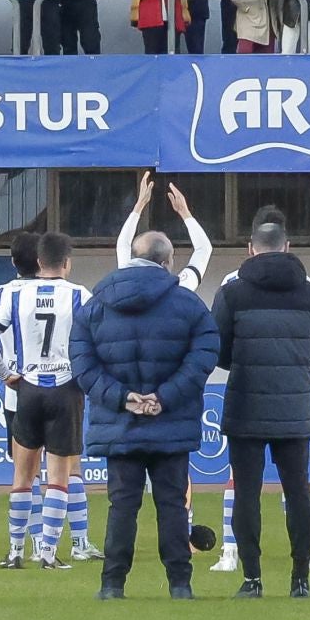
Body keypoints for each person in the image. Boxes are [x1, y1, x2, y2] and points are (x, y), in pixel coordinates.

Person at [71, 228, 220, 600]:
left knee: (122, 505)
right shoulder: (187, 303)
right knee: (172, 504)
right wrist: (164, 397)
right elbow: (204, 355)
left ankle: (112, 584)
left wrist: (125, 399)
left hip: (120, 424)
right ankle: (179, 584)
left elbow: (83, 365)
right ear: (168, 261)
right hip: (170, 421)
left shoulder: (96, 305)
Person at [210, 214, 310, 600]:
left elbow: (216, 349)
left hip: (245, 404)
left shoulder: (232, 292)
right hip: (294, 406)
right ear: (287, 247)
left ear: (250, 249)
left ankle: (252, 579)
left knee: (246, 494)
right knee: (298, 490)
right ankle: (300, 578)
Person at [0, 231, 93, 570]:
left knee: (22, 476)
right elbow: (97, 336)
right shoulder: (79, 295)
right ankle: (48, 553)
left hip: (25, 389)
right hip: (64, 387)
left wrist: (5, 372)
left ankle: (15, 552)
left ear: (39, 262)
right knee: (59, 476)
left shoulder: (15, 295)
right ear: (67, 263)